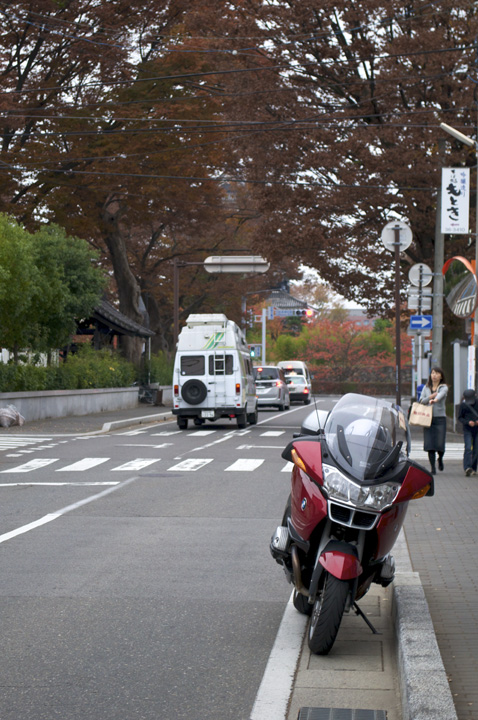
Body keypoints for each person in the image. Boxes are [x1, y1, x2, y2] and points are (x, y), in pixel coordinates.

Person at [419, 366, 448, 474]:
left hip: (440, 419)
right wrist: (431, 397)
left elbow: (441, 395)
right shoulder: (426, 387)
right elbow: (421, 400)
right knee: (429, 444)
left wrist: (435, 399)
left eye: (436, 373)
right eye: (432, 373)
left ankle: (440, 459)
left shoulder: (443, 387)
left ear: (441, 376)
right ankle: (433, 468)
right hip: (427, 419)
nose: (434, 375)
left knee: (440, 444)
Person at [457, 389, 478, 476]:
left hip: (477, 429)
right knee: (468, 447)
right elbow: (460, 417)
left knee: (476, 450)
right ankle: (467, 467)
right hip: (467, 429)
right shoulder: (463, 405)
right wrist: (467, 422)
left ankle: (473, 468)